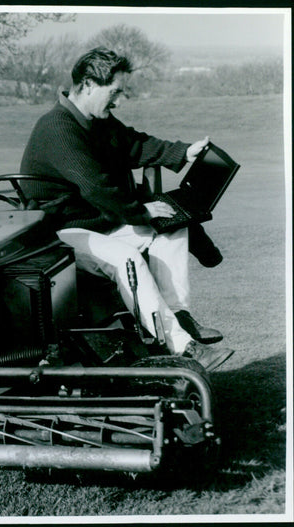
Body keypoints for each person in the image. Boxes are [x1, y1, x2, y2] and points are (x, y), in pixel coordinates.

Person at [19, 47, 234, 372]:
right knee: (128, 259)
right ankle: (184, 349)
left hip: (97, 223)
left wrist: (184, 152)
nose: (119, 100)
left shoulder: (96, 121)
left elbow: (134, 143)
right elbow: (97, 187)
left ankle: (179, 317)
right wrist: (143, 212)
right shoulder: (58, 128)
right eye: (115, 92)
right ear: (89, 85)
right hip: (61, 234)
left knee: (172, 224)